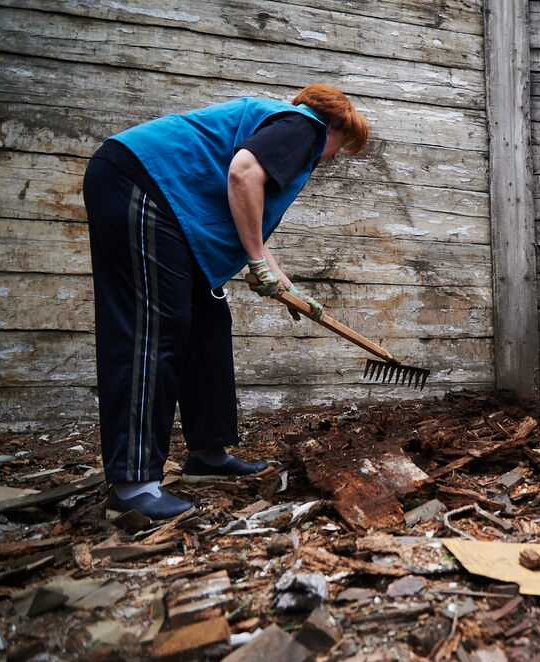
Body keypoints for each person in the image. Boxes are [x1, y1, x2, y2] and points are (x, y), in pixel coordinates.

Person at [83, 84, 370, 519]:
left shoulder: (283, 125)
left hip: (172, 208)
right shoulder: (304, 127)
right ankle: (133, 486)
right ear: (332, 126)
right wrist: (257, 262)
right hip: (141, 186)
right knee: (151, 330)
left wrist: (275, 272)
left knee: (206, 324)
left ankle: (207, 455)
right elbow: (243, 174)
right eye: (341, 146)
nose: (333, 158)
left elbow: (244, 204)